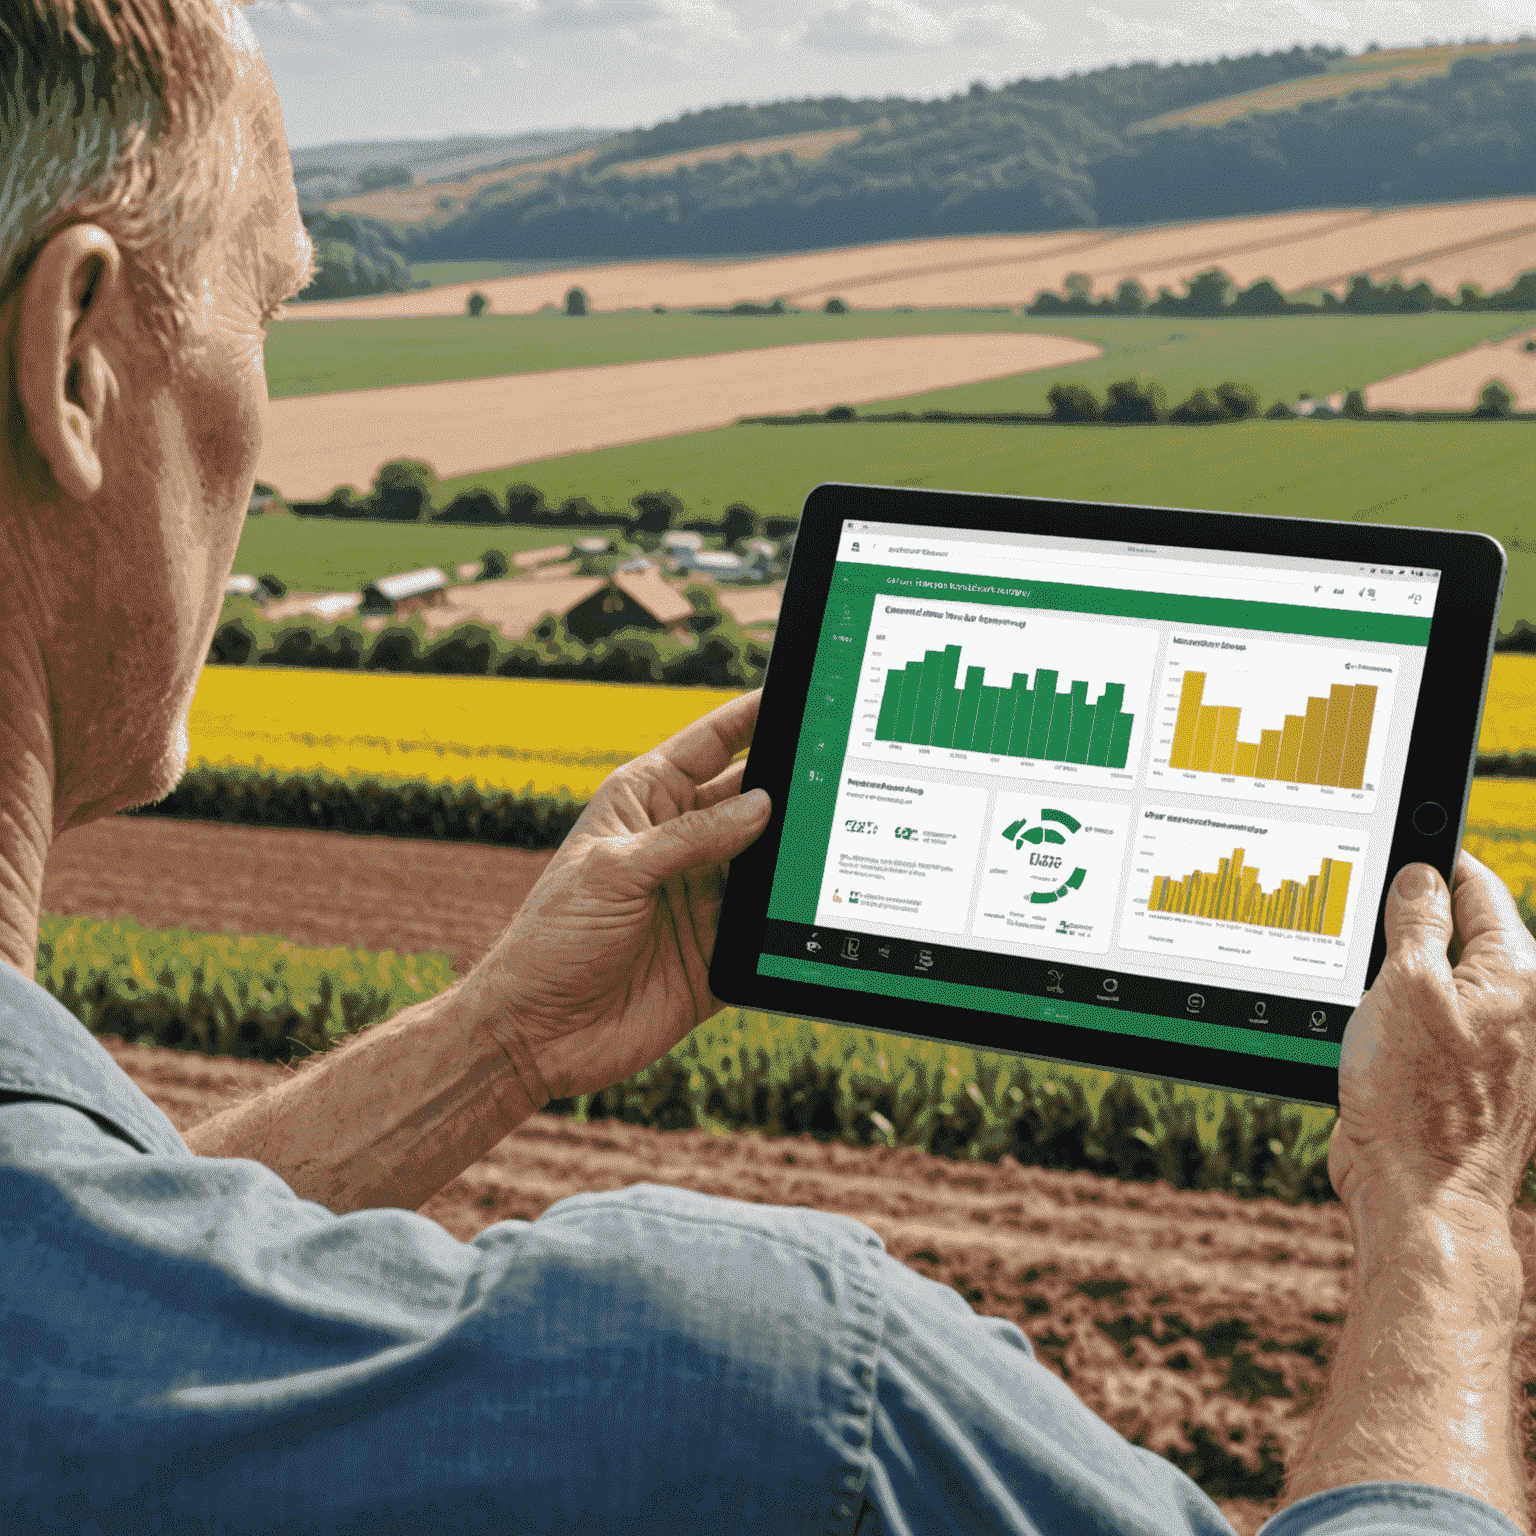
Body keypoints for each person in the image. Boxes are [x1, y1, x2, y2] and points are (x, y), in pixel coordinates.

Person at [1, 3, 1534, 1531]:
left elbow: (112, 1305)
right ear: (77, 359)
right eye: (269, 314)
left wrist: (501, 1039)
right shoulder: (792, 1416)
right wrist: (1444, 1223)